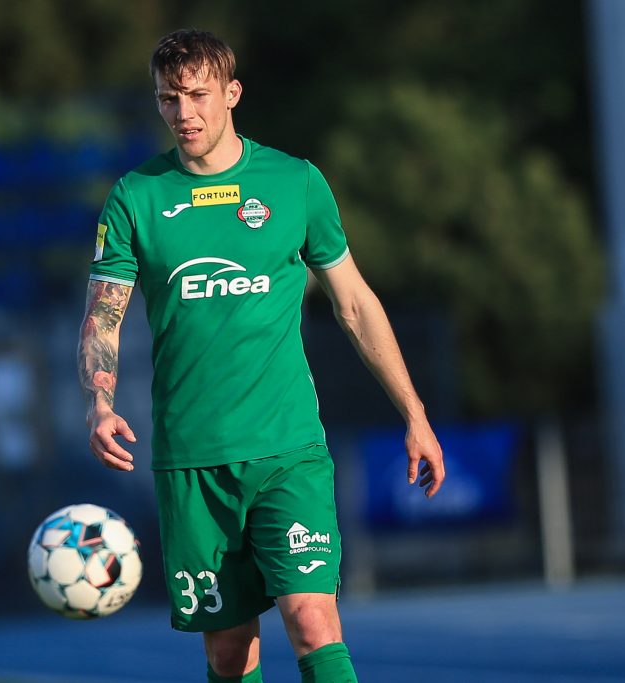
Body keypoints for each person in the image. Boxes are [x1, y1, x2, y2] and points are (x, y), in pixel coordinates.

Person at [77, 30, 445, 683]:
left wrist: (414, 412)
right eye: (168, 98)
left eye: (197, 95)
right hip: (193, 459)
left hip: (287, 448)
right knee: (230, 651)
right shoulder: (136, 196)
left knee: (313, 619)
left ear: (232, 93)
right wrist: (99, 402)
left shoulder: (295, 183)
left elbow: (355, 304)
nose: (184, 113)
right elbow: (104, 313)